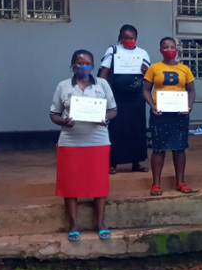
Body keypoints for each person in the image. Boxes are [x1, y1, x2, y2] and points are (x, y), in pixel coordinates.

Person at [49, 50, 118, 241]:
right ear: (73, 65)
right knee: (70, 184)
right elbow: (54, 113)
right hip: (70, 142)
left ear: (93, 65)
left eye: (87, 63)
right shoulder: (63, 86)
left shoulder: (102, 84)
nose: (83, 66)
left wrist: (105, 118)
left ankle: (100, 223)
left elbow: (113, 110)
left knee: (99, 183)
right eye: (79, 63)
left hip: (98, 141)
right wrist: (63, 121)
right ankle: (73, 224)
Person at [142, 37, 196, 196]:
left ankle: (180, 182)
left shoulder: (185, 69)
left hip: (180, 113)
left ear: (176, 50)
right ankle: (156, 184)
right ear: (160, 50)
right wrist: (152, 106)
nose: (169, 50)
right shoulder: (154, 68)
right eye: (165, 47)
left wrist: (189, 106)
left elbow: (191, 90)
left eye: (172, 47)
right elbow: (146, 90)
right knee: (159, 148)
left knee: (179, 148)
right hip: (160, 113)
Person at [98, 24, 151, 175]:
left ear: (136, 38)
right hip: (117, 96)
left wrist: (147, 71)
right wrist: (102, 92)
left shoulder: (142, 53)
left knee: (137, 128)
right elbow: (104, 73)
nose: (128, 40)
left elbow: (149, 75)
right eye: (125, 38)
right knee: (116, 128)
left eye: (131, 38)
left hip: (137, 97)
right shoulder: (113, 51)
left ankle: (136, 162)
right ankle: (112, 162)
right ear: (120, 38)